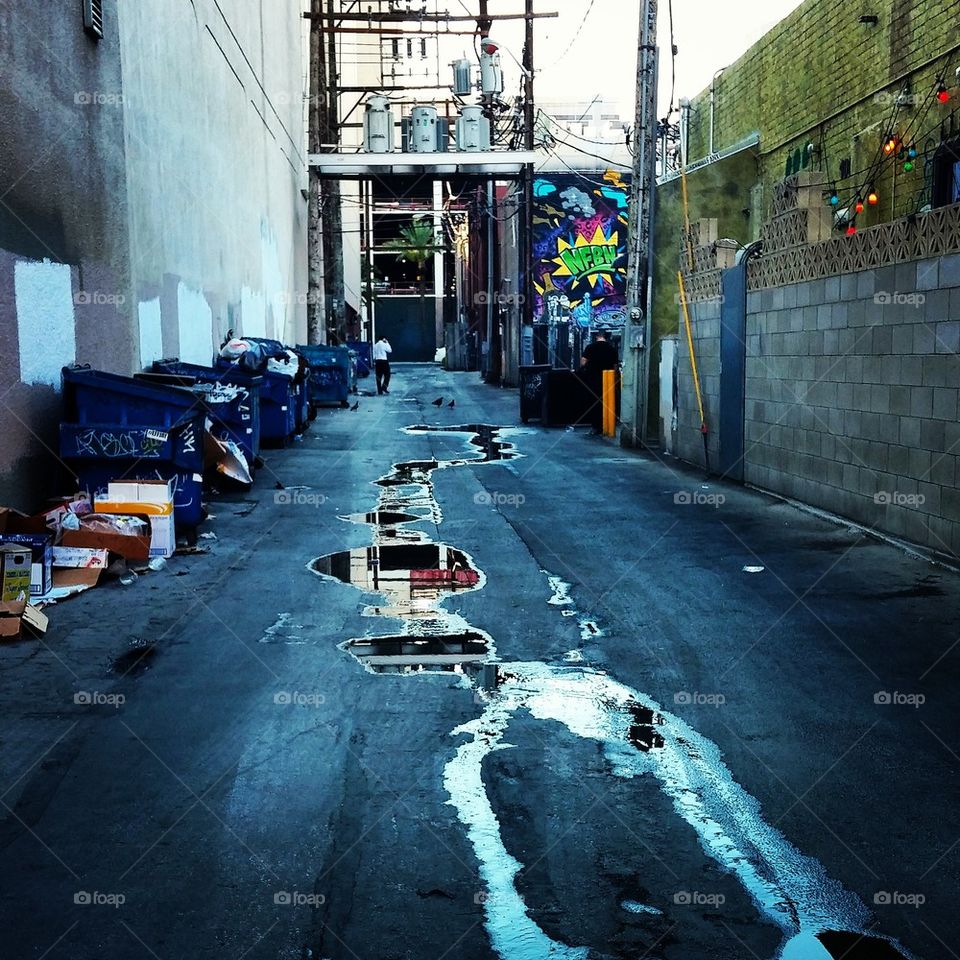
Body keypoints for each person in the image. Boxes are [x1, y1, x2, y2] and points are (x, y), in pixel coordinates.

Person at [580, 332, 619, 434]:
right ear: (607, 337)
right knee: (607, 403)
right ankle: (607, 426)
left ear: (597, 336)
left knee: (594, 403)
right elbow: (615, 367)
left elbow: (583, 362)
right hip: (608, 380)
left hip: (593, 380)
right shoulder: (612, 349)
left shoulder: (590, 347)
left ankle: (595, 427)